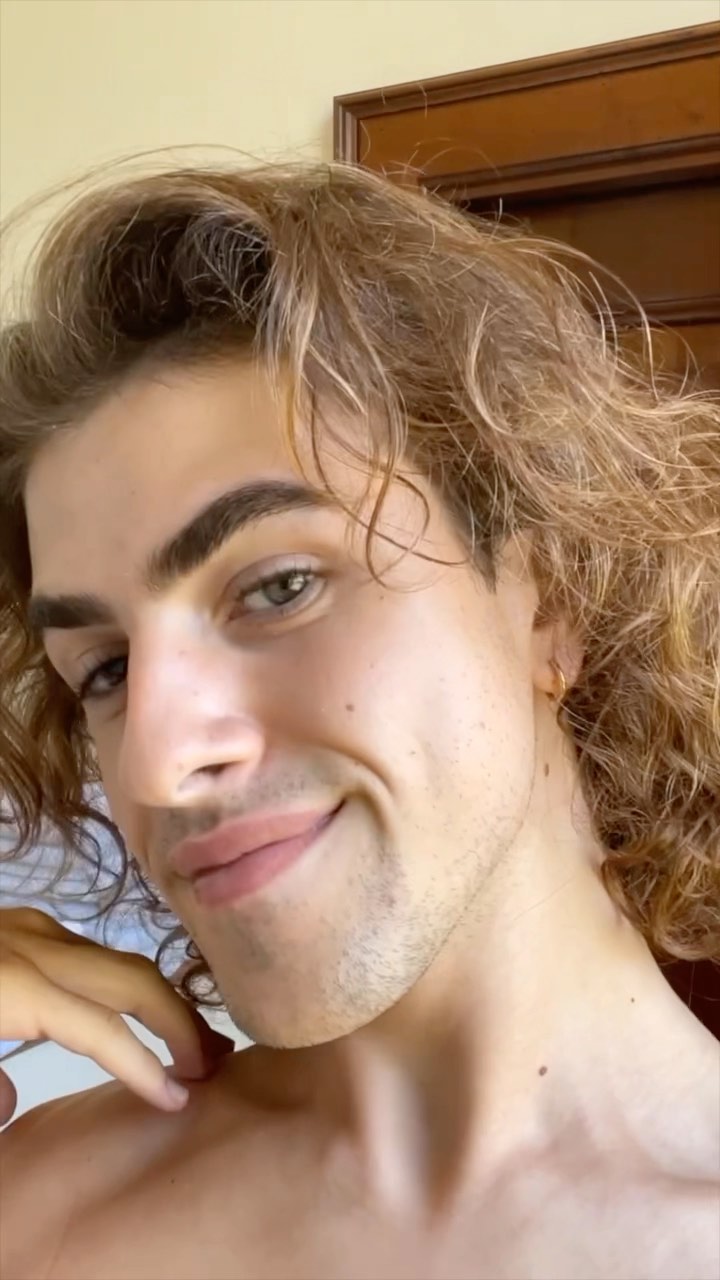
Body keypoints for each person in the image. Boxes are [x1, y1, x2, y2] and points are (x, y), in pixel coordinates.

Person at [0, 160, 718, 1280]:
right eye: (104, 669)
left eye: (280, 586)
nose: (157, 762)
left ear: (551, 602)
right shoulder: (34, 1212)